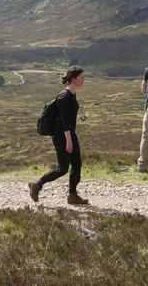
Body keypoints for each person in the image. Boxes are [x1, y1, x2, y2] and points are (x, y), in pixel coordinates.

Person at [28, 66, 89, 205]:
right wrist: (69, 141)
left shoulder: (71, 94)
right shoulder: (65, 97)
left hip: (69, 134)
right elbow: (64, 122)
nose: (84, 80)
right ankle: (37, 185)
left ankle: (72, 195)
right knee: (62, 168)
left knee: (77, 164)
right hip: (62, 136)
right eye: (81, 77)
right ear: (73, 79)